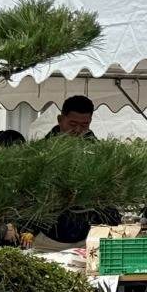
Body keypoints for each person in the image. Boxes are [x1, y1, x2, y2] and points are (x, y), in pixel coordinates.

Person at [33, 95, 105, 251]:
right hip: (48, 238)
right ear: (60, 120)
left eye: (84, 125)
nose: (78, 130)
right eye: (73, 124)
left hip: (87, 237)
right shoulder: (40, 152)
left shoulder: (99, 153)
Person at [0, 130, 31, 247]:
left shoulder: (16, 183)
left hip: (9, 251)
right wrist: (3, 230)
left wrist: (27, 231)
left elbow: (26, 216)